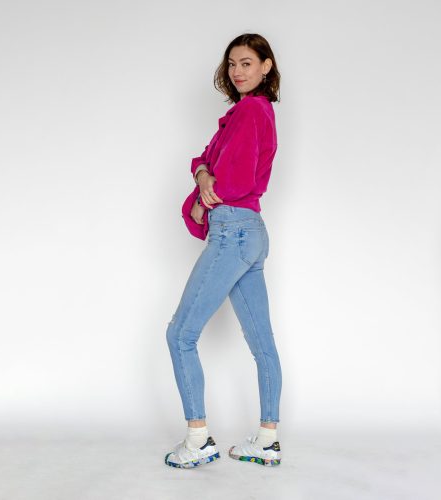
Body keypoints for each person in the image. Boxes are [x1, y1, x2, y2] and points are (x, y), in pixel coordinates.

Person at [164, 33, 282, 469]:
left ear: (266, 66)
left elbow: (234, 179)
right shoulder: (250, 112)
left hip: (233, 231)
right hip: (251, 231)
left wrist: (204, 194)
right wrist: (201, 175)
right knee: (262, 343)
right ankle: (267, 441)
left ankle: (198, 440)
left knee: (180, 335)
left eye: (247, 63)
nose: (237, 71)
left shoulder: (250, 110)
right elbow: (205, 160)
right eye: (232, 63)